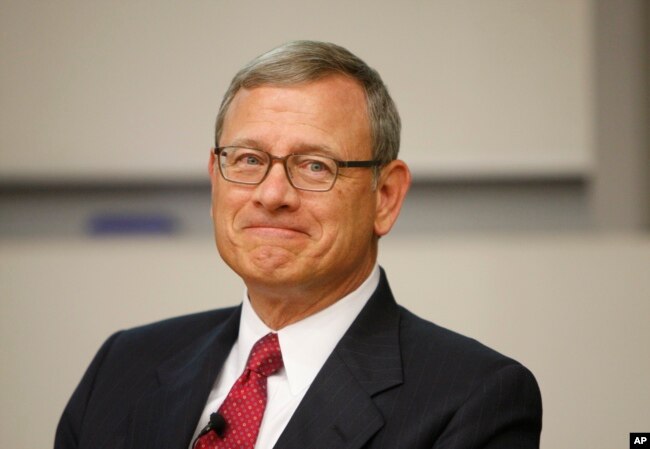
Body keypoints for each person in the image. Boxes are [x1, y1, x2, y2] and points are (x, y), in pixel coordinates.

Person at [55, 40, 542, 449]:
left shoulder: (473, 398)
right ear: (214, 180)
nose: (271, 195)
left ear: (386, 197)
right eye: (247, 159)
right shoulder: (123, 366)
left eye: (314, 166)